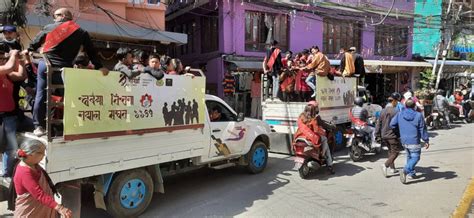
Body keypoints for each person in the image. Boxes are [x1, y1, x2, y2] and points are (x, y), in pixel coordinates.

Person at [26, 8, 108, 136]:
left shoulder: (49, 27)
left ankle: (38, 127)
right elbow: (92, 51)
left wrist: (30, 49)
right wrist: (99, 66)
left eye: (56, 16)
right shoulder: (81, 32)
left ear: (63, 16)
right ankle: (70, 126)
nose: (54, 18)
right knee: (70, 98)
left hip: (46, 65)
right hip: (64, 70)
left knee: (41, 95)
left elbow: (34, 42)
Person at [11, 139, 72, 217]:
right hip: (29, 212)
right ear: (31, 154)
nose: (44, 155)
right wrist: (60, 208)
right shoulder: (24, 172)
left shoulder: (33, 164)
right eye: (41, 153)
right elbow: (39, 194)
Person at [390, 99, 430, 184]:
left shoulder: (400, 114)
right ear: (414, 106)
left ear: (405, 106)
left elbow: (392, 124)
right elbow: (422, 129)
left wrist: (400, 131)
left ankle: (411, 174)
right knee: (415, 157)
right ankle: (405, 170)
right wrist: (426, 140)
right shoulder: (418, 115)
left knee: (409, 156)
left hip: (404, 140)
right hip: (414, 140)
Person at [294, 100, 335, 174]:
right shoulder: (315, 118)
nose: (317, 109)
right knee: (325, 139)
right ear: (314, 109)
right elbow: (322, 126)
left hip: (300, 136)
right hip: (311, 137)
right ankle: (329, 164)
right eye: (316, 107)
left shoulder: (301, 116)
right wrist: (332, 126)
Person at [0, 46, 22, 181]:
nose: (2, 61)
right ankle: (6, 173)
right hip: (2, 115)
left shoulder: (6, 72)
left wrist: (21, 61)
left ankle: (6, 172)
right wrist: (14, 54)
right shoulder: (4, 69)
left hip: (10, 114)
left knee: (10, 146)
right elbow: (8, 67)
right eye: (0, 58)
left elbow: (21, 76)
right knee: (8, 146)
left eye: (3, 58)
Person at [375, 92, 403, 177]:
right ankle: (385, 165)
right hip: (392, 135)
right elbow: (399, 125)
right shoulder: (396, 111)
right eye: (397, 101)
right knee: (396, 152)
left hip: (384, 135)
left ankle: (392, 168)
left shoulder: (382, 111)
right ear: (394, 101)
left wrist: (377, 135)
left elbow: (378, 124)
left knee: (390, 151)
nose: (397, 103)